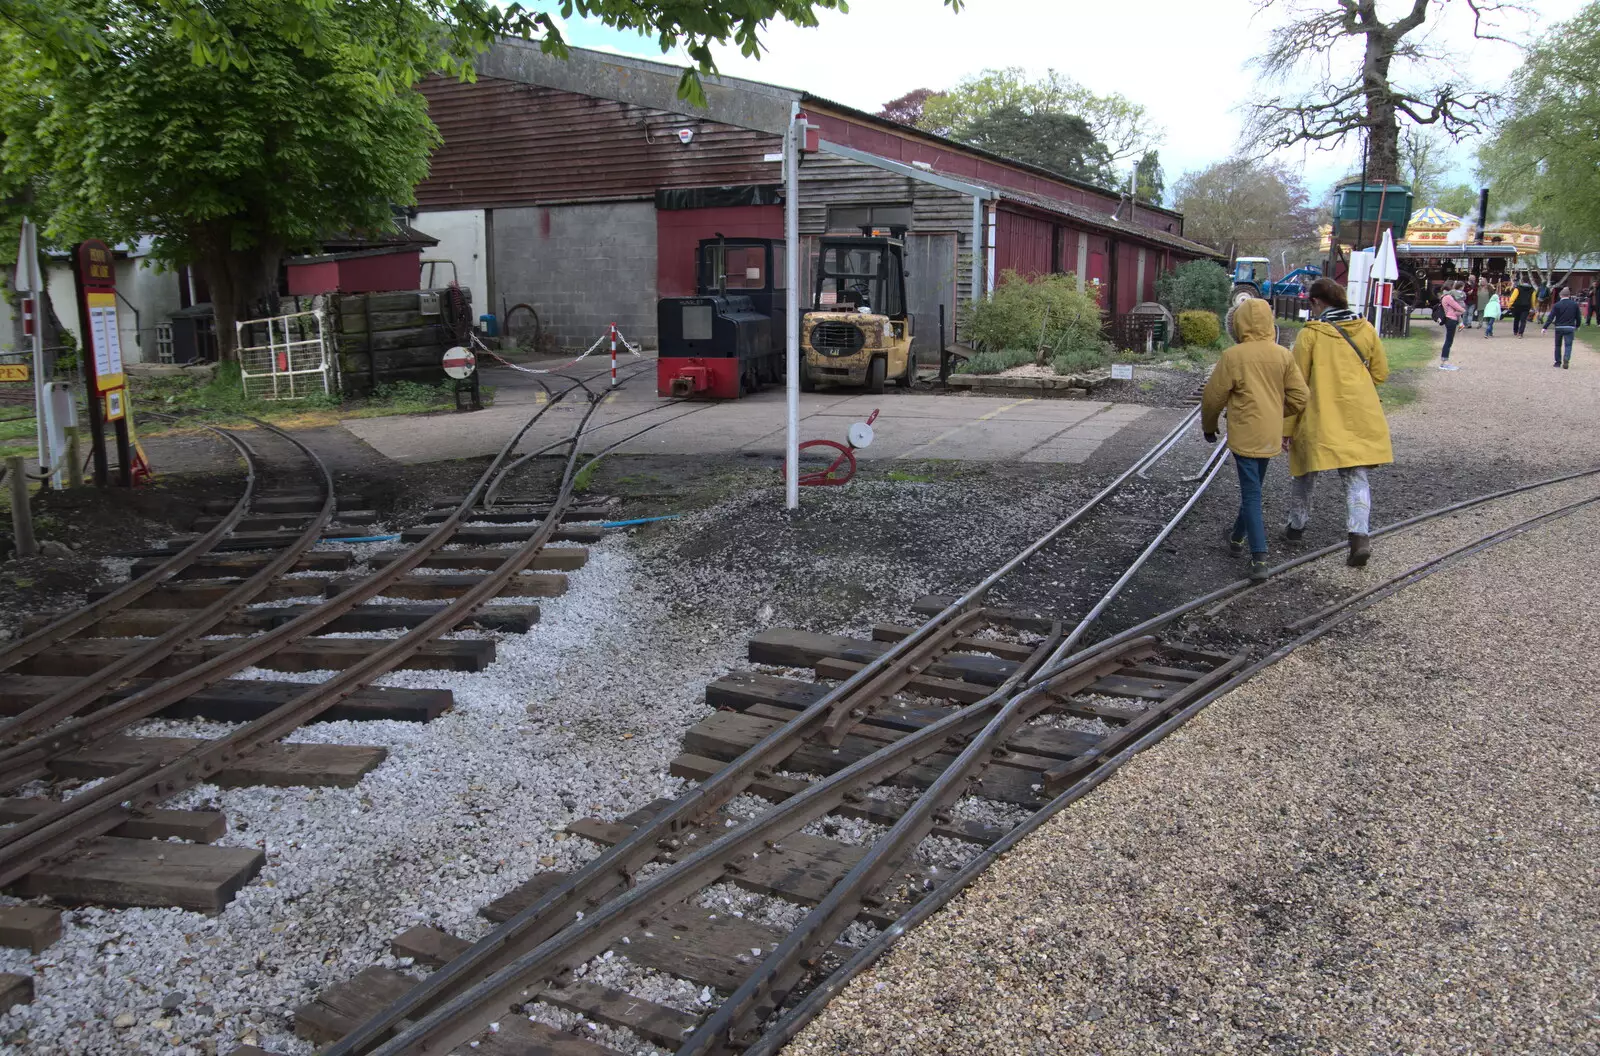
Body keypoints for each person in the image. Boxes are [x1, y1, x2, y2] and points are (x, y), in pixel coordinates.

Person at [1283, 277, 1394, 568]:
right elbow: (1381, 373)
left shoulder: (1311, 335)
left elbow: (1296, 385)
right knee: (1356, 476)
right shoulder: (1366, 328)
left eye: (1311, 302)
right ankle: (1360, 537)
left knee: (1306, 471)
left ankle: (1296, 527)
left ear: (1318, 302)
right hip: (1358, 415)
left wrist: (1286, 429)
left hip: (1319, 416)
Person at [1201, 298, 1310, 583]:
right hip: (1269, 435)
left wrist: (1209, 427)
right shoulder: (1283, 356)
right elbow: (1300, 397)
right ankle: (1236, 538)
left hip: (1245, 433)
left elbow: (1213, 397)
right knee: (1254, 487)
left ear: (1239, 324)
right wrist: (1276, 413)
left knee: (1252, 494)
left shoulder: (1233, 356)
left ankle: (1259, 556)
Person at [1543, 287, 1582, 369]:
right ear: (1569, 295)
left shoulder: (1557, 305)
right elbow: (1578, 317)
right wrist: (1578, 325)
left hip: (1559, 327)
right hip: (1570, 327)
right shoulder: (1574, 305)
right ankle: (1566, 358)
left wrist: (1545, 327)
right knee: (1568, 345)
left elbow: (1551, 317)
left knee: (1558, 345)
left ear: (1560, 295)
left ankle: (1557, 362)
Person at [1438, 282, 1464, 369]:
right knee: (1449, 341)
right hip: (1451, 319)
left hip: (1449, 318)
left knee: (1448, 340)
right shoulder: (1448, 297)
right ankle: (1444, 361)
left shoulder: (1443, 297)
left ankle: (1444, 360)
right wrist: (1461, 311)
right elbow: (1458, 307)